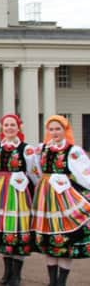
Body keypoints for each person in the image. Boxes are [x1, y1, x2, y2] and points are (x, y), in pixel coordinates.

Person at [32, 115, 90, 286]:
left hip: (65, 197)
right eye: (51, 129)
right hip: (45, 197)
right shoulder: (41, 148)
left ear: (65, 130)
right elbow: (35, 170)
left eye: (58, 129)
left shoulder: (73, 150)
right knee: (49, 238)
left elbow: (84, 173)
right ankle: (52, 281)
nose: (55, 132)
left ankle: (61, 282)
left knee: (65, 237)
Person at [0, 114, 39, 286]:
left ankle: (17, 275)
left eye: (12, 125)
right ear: (2, 127)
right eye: (6, 125)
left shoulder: (26, 149)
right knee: (3, 229)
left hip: (18, 192)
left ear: (19, 127)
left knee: (17, 229)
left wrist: (37, 191)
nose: (9, 128)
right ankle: (7, 273)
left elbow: (33, 173)